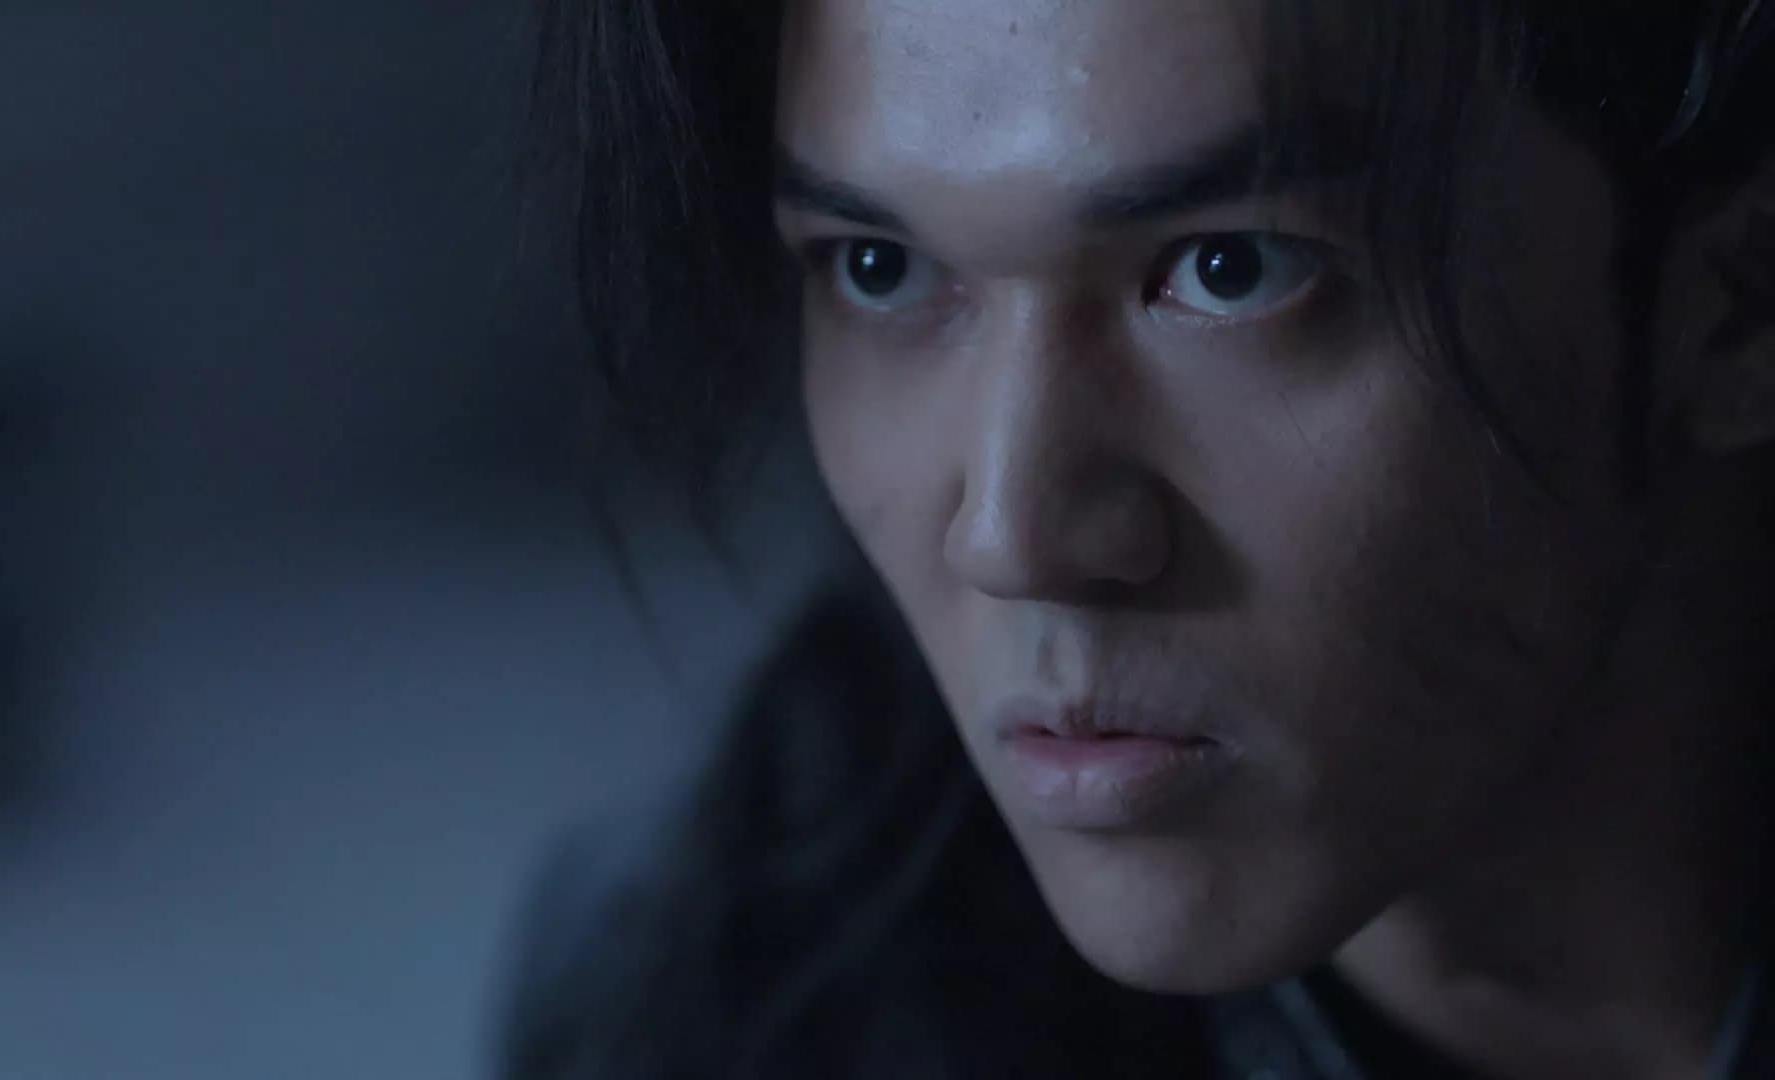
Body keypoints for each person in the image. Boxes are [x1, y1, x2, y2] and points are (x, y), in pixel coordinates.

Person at [500, 2, 1775, 1076]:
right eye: (877, 267)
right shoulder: (731, 1000)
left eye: (1232, 269)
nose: (1011, 537)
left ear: (1735, 303)